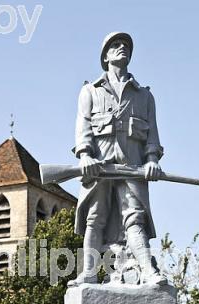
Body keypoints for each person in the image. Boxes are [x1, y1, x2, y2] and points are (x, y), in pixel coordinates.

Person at [68, 31, 167, 287]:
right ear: (106, 56)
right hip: (99, 167)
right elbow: (83, 128)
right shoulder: (90, 91)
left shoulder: (144, 96)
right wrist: (85, 155)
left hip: (132, 167)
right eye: (115, 45)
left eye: (125, 45)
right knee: (95, 217)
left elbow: (152, 135)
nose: (121, 47)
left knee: (135, 219)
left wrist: (152, 159)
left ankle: (148, 271)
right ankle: (89, 273)